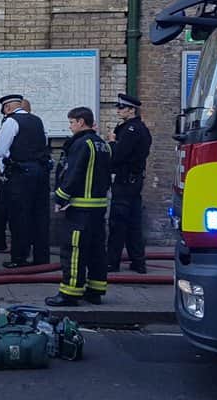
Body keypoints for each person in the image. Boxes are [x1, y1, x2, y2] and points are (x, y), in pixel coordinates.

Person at [46, 106, 112, 307]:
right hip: (98, 207)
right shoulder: (103, 145)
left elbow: (73, 173)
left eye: (72, 122)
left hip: (80, 208)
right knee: (96, 250)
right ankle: (95, 290)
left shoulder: (82, 144)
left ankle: (70, 292)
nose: (70, 126)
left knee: (74, 250)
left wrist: (60, 198)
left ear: (81, 122)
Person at [0, 94, 49, 269]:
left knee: (19, 216)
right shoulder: (37, 120)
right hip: (40, 172)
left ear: (7, 108)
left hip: (20, 175)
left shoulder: (11, 122)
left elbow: (0, 150)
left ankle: (19, 257)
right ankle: (41, 257)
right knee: (39, 216)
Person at [107, 93, 153, 274]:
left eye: (121, 108)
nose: (118, 111)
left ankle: (112, 262)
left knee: (118, 223)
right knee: (134, 223)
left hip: (124, 181)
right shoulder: (140, 128)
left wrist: (111, 143)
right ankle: (138, 262)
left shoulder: (130, 130)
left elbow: (119, 155)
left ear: (131, 110)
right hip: (135, 180)